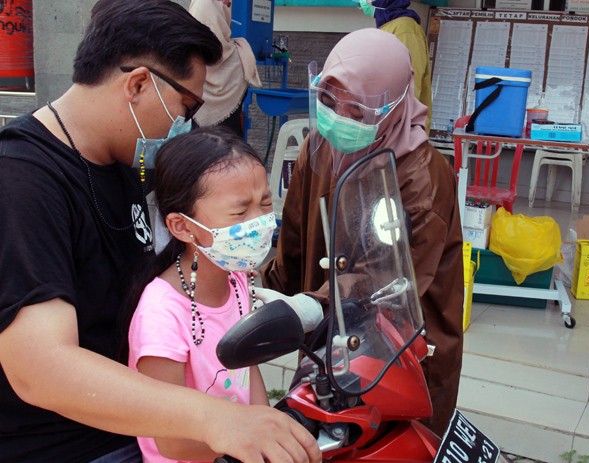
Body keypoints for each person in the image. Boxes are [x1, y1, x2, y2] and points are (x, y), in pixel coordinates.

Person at [0, 1, 320, 462]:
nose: (185, 126)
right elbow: (41, 367)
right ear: (137, 84)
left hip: (142, 427)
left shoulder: (123, 165)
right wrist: (213, 418)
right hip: (71, 445)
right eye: (185, 107)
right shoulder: (23, 181)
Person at [262, 28, 464, 436]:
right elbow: (295, 245)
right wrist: (259, 293)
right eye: (327, 99)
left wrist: (309, 307)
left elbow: (389, 285)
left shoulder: (422, 177)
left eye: (356, 108)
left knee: (394, 437)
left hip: (400, 343)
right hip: (327, 331)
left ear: (393, 105)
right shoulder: (318, 147)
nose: (338, 117)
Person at [128, 126, 323, 462]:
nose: (260, 222)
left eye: (264, 204)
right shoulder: (160, 316)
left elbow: (247, 368)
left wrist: (266, 425)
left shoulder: (236, 280)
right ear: (183, 226)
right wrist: (255, 447)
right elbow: (171, 441)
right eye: (239, 212)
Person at [357, 0, 433, 133]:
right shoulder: (389, 26)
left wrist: (402, 129)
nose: (364, 2)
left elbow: (411, 83)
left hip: (403, 129)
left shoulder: (405, 29)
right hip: (386, 125)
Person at [189, 0, 262, 136]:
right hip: (230, 147)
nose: (229, 2)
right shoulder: (242, 56)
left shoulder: (183, 65)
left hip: (197, 149)